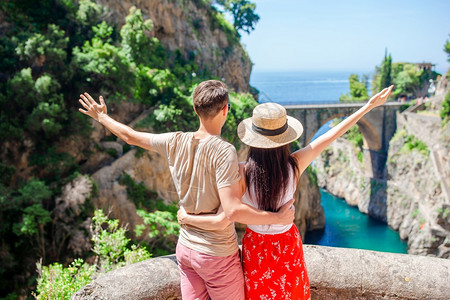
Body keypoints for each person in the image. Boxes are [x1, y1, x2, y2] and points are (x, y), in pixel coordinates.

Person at [77, 80, 295, 300]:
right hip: (216, 254)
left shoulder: (174, 141)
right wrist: (278, 218)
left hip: (185, 249)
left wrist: (102, 117)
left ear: (195, 109)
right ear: (225, 110)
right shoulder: (224, 151)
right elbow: (231, 212)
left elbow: (130, 136)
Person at [178, 85, 394, 300]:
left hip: (256, 245)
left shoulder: (241, 171)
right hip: (287, 242)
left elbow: (229, 207)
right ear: (285, 138)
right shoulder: (295, 165)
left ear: (253, 139)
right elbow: (331, 135)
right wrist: (368, 106)